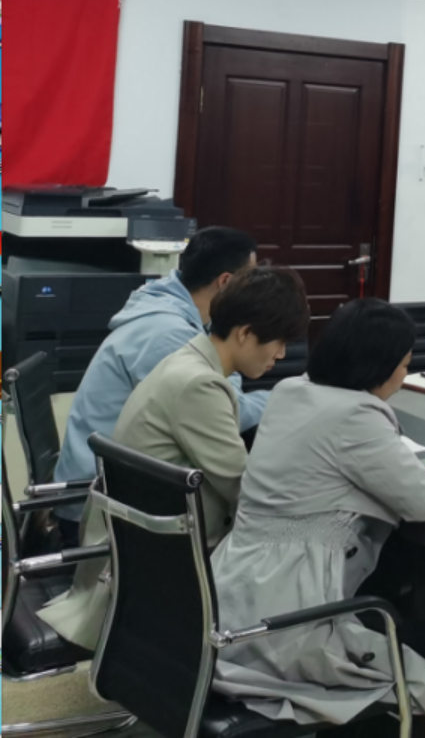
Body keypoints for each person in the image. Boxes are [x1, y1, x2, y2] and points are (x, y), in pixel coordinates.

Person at [212, 299, 425, 736]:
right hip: (287, 618)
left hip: (229, 593)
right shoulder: (357, 415)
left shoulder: (290, 391)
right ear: (379, 365)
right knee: (423, 682)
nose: (404, 376)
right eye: (405, 365)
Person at [40, 266, 309, 650]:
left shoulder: (189, 358)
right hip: (155, 564)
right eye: (279, 342)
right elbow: (244, 492)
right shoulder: (200, 385)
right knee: (306, 554)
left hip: (141, 545)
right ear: (245, 333)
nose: (281, 355)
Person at [54, 226, 265, 542]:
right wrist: (282, 398)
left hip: (118, 486)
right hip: (102, 510)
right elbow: (224, 413)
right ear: (226, 282)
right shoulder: (169, 333)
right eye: (251, 280)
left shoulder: (167, 305)